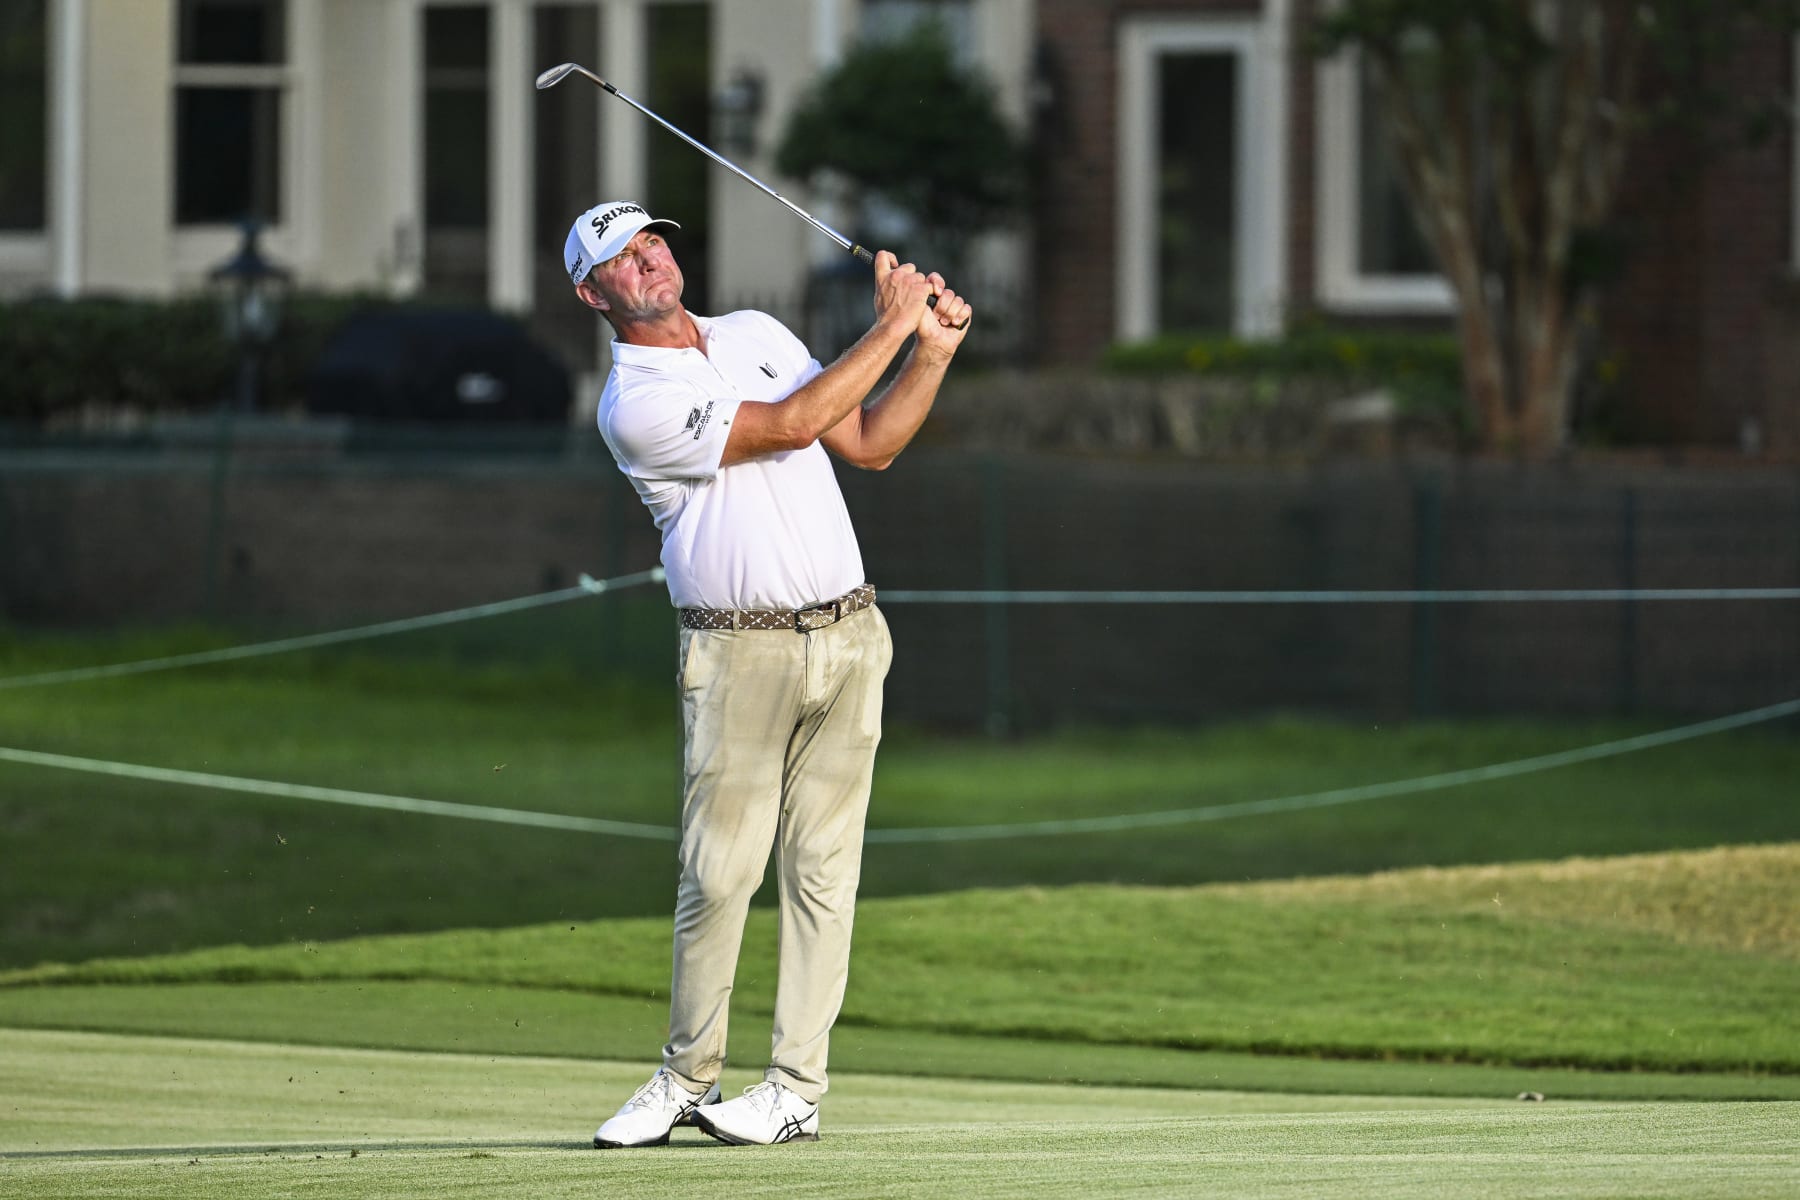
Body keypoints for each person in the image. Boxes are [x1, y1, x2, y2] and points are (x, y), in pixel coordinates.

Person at [566, 200, 972, 1148]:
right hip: (738, 648)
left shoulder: (755, 331)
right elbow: (791, 424)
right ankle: (685, 1077)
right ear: (595, 294)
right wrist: (889, 324)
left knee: (824, 874)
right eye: (621, 260)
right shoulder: (636, 400)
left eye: (653, 241)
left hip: (850, 633)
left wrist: (930, 352)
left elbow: (865, 443)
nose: (649, 261)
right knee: (718, 873)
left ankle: (794, 1089)